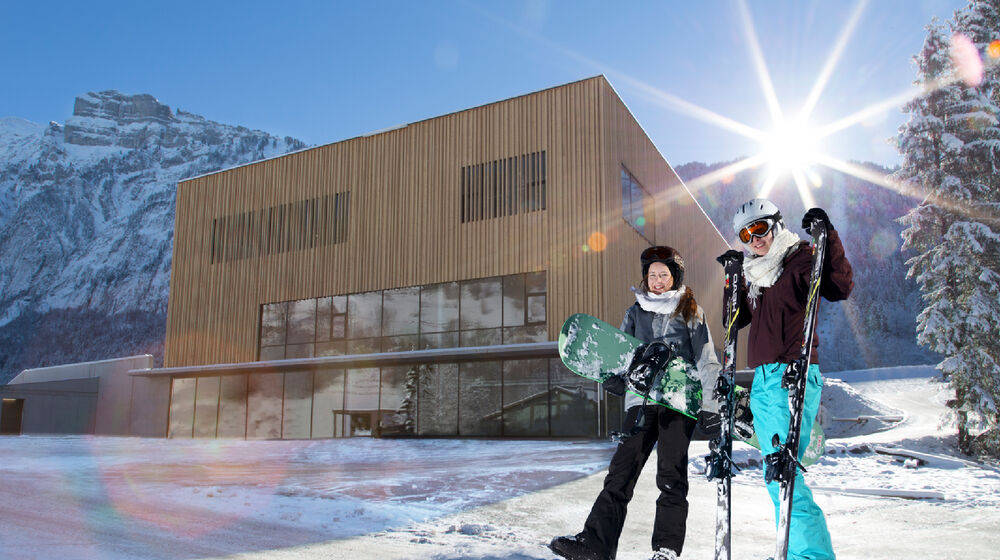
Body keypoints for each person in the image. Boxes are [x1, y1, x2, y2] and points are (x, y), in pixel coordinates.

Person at [550, 245, 721, 560]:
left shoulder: (691, 311)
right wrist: (612, 378)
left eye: (663, 275)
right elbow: (621, 354)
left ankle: (666, 550)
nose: (657, 281)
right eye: (652, 275)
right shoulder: (635, 311)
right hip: (640, 402)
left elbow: (706, 360)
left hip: (677, 402)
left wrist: (711, 405)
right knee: (620, 472)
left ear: (675, 277)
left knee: (671, 476)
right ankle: (595, 545)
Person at [727, 199, 853, 560]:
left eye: (760, 228)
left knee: (784, 474)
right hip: (764, 380)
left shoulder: (799, 257)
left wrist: (828, 237)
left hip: (792, 373)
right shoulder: (755, 275)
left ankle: (811, 557)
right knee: (775, 474)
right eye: (746, 234)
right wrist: (732, 278)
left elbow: (839, 286)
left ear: (776, 225)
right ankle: (795, 551)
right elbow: (733, 320)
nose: (755, 239)